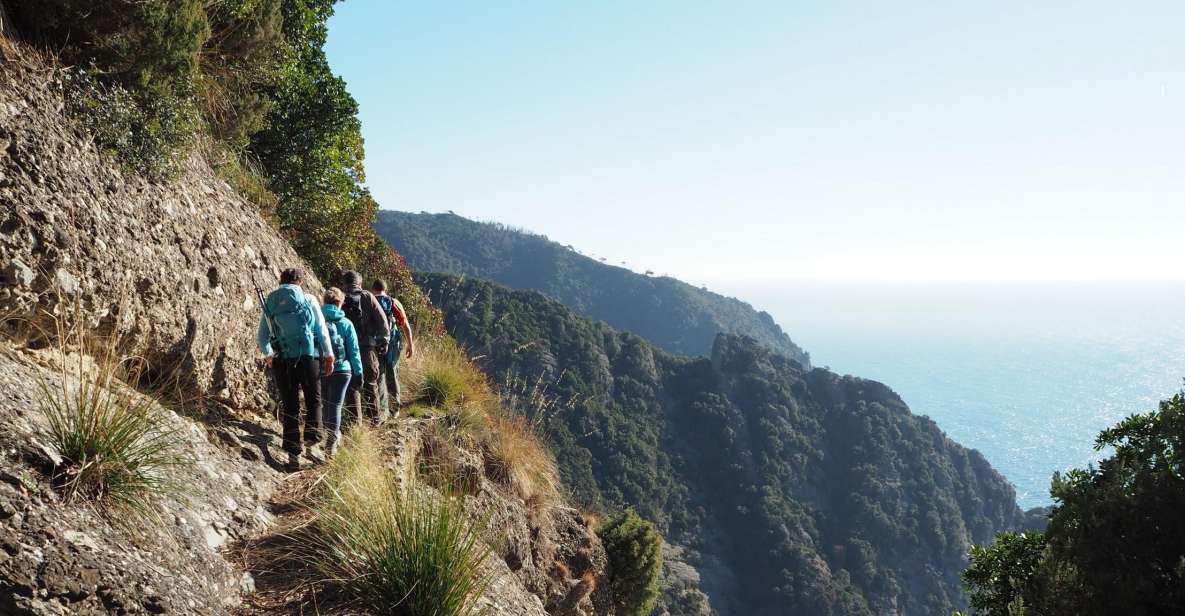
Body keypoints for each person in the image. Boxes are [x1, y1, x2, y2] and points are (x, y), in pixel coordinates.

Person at [257, 268, 333, 470]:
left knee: (290, 405)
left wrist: (269, 354)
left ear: (281, 282)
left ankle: (292, 454)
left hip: (283, 360)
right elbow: (321, 329)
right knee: (313, 399)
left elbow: (262, 337)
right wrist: (328, 354)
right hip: (308, 358)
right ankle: (312, 441)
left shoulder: (270, 302)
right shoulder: (308, 299)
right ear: (300, 282)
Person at [339, 270, 390, 424]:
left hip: (347, 349)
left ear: (344, 284)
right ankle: (375, 419)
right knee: (371, 383)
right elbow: (382, 320)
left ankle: (355, 423)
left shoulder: (341, 298)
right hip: (367, 347)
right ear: (359, 283)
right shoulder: (367, 296)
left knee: (353, 386)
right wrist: (384, 341)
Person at [320, 287, 362, 456]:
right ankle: (332, 442)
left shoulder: (318, 320)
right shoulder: (346, 323)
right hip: (343, 370)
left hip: (322, 369)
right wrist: (358, 372)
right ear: (340, 303)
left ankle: (328, 435)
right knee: (336, 405)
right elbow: (354, 351)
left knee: (325, 403)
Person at [371, 279, 415, 413]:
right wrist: (410, 344)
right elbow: (405, 325)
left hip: (374, 344)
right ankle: (394, 409)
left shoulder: (368, 301)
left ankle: (382, 410)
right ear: (386, 289)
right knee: (393, 374)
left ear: (373, 289)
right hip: (392, 344)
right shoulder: (393, 302)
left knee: (379, 375)